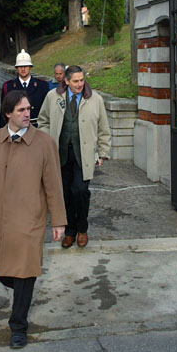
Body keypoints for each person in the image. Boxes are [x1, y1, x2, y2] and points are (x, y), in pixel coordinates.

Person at [0, 90, 66, 349]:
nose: (27, 114)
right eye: (21, 110)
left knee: (25, 272)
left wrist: (59, 221)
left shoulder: (45, 143)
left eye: (29, 109)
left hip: (30, 221)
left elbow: (54, 186)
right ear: (8, 113)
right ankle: (23, 291)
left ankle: (18, 327)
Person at [37, 65, 111, 249]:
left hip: (83, 155)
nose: (80, 84)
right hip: (59, 154)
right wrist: (48, 141)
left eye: (82, 80)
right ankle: (70, 231)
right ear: (66, 81)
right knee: (65, 194)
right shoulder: (52, 97)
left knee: (80, 191)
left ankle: (82, 229)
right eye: (75, 81)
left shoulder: (95, 100)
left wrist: (103, 152)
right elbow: (43, 121)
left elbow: (103, 128)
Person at [0, 49, 48, 126]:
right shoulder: (8, 86)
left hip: (37, 126)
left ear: (30, 67)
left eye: (25, 66)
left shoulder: (42, 85)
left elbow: (47, 110)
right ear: (16, 68)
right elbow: (4, 110)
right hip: (16, 126)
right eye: (20, 67)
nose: (23, 69)